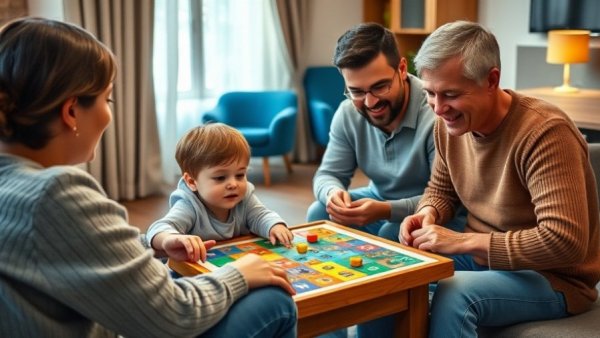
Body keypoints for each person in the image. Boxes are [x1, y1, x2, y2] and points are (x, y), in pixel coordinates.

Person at [0, 17, 296, 338]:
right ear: (72, 112)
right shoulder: (54, 193)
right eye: (107, 99)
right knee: (274, 301)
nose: (108, 114)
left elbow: (75, 251)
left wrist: (154, 244)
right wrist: (239, 273)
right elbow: (173, 316)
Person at [399, 21, 600, 337]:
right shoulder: (448, 125)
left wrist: (464, 241)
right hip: (483, 259)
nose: (438, 108)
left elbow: (565, 241)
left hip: (552, 277)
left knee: (456, 293)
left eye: (450, 94)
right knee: (393, 267)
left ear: (491, 80)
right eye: (430, 94)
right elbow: (441, 189)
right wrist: (428, 213)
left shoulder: (545, 134)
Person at [307, 22, 464, 243]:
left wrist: (386, 210)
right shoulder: (348, 113)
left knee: (393, 232)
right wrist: (332, 194)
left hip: (435, 215)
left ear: (401, 69)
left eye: (380, 87)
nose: (370, 102)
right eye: (357, 91)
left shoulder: (436, 113)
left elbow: (447, 198)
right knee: (320, 212)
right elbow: (328, 174)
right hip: (378, 202)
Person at [146, 123, 294, 263]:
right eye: (220, 178)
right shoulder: (189, 204)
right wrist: (171, 238)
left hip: (234, 265)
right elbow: (158, 229)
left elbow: (260, 215)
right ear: (191, 182)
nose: (233, 184)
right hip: (193, 272)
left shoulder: (244, 197)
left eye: (240, 175)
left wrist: (275, 225)